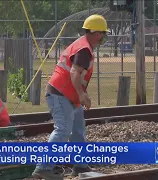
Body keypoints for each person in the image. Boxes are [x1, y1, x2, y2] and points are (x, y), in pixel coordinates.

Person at [32, 14, 109, 180]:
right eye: (102, 33)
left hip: (68, 95)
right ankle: (43, 167)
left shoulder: (82, 45)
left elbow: (77, 75)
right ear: (96, 33)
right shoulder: (84, 50)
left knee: (78, 130)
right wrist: (82, 94)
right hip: (60, 94)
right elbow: (74, 73)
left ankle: (80, 165)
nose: (103, 37)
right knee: (63, 129)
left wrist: (81, 95)